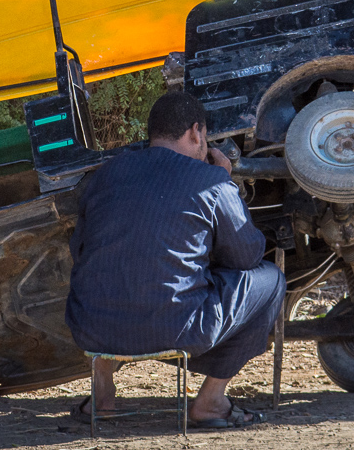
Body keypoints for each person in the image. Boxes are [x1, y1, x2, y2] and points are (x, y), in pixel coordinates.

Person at [64, 90, 285, 427]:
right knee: (271, 280)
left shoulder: (106, 174)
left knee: (102, 276)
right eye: (205, 136)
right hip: (175, 330)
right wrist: (225, 184)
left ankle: (103, 396)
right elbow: (247, 256)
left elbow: (79, 250)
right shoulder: (211, 181)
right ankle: (210, 402)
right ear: (196, 132)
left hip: (91, 328)